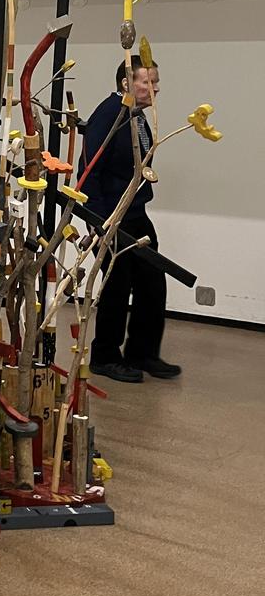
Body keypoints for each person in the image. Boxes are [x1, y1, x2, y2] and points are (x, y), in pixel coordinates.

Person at [78, 55, 181, 383]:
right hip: (111, 215)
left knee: (153, 283)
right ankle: (105, 356)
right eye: (148, 81)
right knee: (116, 285)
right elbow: (89, 170)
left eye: (156, 81)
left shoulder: (137, 117)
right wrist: (99, 221)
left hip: (136, 214)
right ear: (126, 83)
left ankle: (142, 353)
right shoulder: (109, 114)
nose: (156, 88)